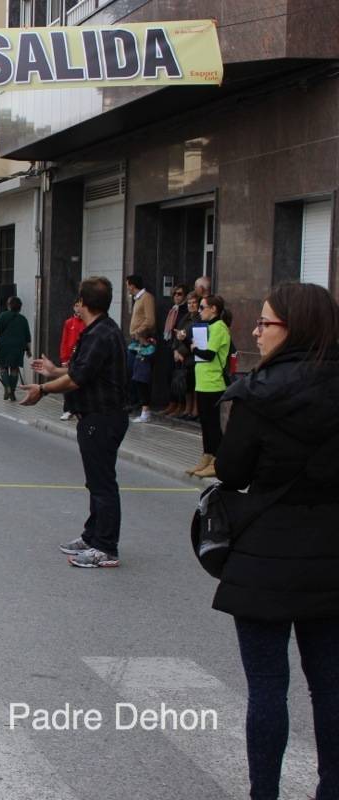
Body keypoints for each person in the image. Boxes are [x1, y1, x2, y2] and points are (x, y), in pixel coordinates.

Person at [209, 282, 339, 800]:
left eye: (266, 323)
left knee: (268, 687)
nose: (256, 333)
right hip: (332, 556)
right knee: (329, 687)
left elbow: (231, 468)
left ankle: (264, 792)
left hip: (266, 556)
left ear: (294, 328)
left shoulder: (260, 393)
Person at [21, 277, 128, 569]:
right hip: (99, 418)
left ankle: (106, 548)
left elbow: (78, 379)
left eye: (78, 301)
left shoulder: (100, 334)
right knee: (95, 481)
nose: (76, 306)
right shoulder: (100, 330)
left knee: (103, 484)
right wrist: (55, 370)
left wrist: (42, 389)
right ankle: (92, 536)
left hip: (102, 418)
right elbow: (82, 369)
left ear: (85, 303)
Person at [180, 294, 231, 478]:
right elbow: (199, 350)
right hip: (202, 382)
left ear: (214, 309)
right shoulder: (208, 327)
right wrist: (186, 341)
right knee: (205, 423)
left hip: (213, 383)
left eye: (202, 308)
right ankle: (206, 455)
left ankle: (218, 461)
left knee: (212, 424)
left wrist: (193, 349)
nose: (199, 311)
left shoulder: (218, 328)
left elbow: (208, 355)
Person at [125, 275, 157, 422]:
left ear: (132, 285)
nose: (127, 288)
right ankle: (133, 403)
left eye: (127, 285)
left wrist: (139, 332)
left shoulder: (146, 298)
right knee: (131, 371)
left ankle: (145, 410)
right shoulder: (137, 299)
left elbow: (150, 320)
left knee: (141, 376)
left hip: (143, 343)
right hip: (135, 343)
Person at [159, 285, 191, 417]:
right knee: (169, 375)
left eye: (179, 294)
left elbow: (182, 330)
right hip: (170, 345)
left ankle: (180, 404)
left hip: (180, 348)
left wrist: (179, 349)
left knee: (179, 377)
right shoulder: (173, 309)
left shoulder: (184, 311)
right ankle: (172, 403)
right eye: (174, 294)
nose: (176, 297)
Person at [0, 297, 32, 402]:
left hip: (5, 345)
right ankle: (12, 391)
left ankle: (7, 387)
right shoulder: (23, 319)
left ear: (9, 305)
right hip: (18, 347)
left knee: (3, 368)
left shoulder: (3, 315)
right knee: (14, 369)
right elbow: (27, 337)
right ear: (20, 307)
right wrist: (28, 350)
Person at [173, 293, 202, 421]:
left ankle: (195, 410)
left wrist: (181, 352)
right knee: (186, 384)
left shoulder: (199, 319)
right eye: (189, 303)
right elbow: (177, 333)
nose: (191, 305)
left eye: (194, 303)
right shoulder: (185, 317)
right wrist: (175, 350)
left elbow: (194, 338)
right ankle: (187, 408)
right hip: (182, 356)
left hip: (192, 355)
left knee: (194, 383)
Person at [58, 302, 86, 421]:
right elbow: (64, 341)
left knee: (80, 385)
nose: (79, 308)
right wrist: (64, 358)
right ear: (74, 307)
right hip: (69, 358)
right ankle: (68, 409)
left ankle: (80, 409)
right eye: (77, 305)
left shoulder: (87, 323)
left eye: (81, 306)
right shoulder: (69, 323)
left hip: (82, 358)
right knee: (67, 384)